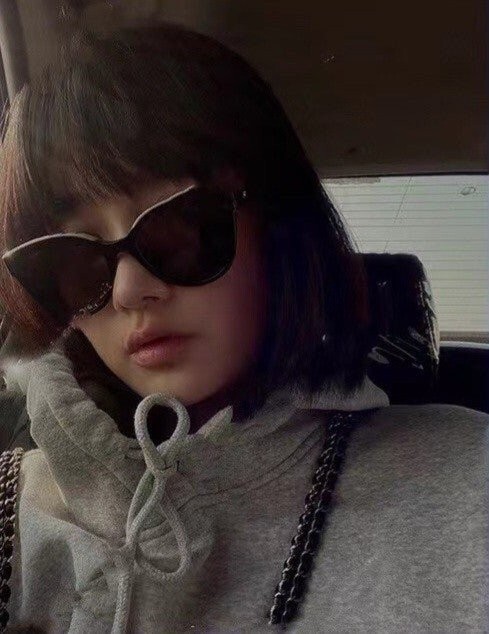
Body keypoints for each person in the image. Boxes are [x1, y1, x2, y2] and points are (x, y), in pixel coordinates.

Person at [0, 22, 486, 634]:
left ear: (276, 225)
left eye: (179, 228)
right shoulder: (12, 518)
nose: (128, 291)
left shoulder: (470, 486)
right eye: (75, 261)